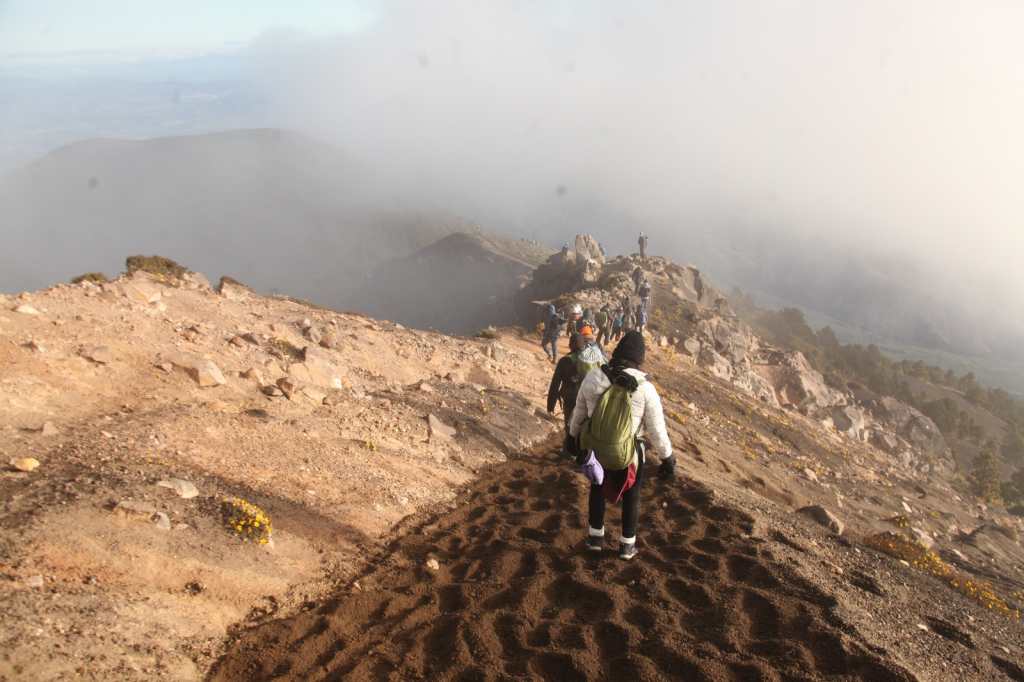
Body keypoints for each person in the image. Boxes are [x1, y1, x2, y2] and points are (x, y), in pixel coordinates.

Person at [569, 331, 674, 560]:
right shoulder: (645, 388)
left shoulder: (595, 376)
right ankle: (627, 546)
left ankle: (595, 538)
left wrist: (572, 436)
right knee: (632, 495)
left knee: (597, 487)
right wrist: (668, 458)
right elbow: (656, 430)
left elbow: (579, 411)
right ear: (640, 357)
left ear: (616, 352)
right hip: (628, 454)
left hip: (595, 449)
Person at [548, 330, 607, 440]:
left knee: (570, 426)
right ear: (584, 345)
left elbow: (555, 384)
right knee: (588, 425)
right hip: (591, 397)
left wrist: (550, 405)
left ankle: (569, 451)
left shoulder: (565, 361)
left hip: (571, 398)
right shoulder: (593, 359)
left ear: (570, 346)